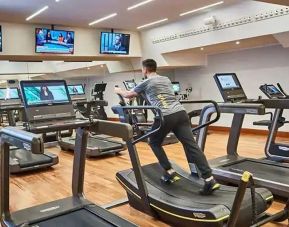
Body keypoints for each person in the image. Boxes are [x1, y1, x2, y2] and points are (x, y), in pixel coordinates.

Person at [114, 59, 220, 195]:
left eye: (142, 69)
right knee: (191, 146)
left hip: (164, 115)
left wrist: (118, 90)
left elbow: (128, 95)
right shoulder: (166, 79)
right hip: (181, 113)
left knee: (153, 142)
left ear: (145, 70)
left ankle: (169, 171)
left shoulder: (146, 82)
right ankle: (209, 179)